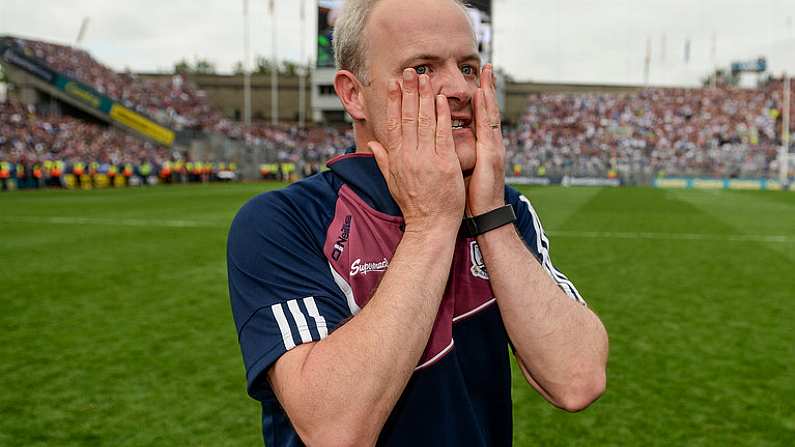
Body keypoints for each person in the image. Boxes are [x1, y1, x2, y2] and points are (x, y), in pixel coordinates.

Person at [227, 0, 609, 445]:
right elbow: (335, 429)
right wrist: (430, 224)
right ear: (353, 94)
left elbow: (578, 378)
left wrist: (489, 217)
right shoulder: (285, 221)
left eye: (468, 67)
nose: (460, 88)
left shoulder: (504, 210)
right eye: (423, 69)